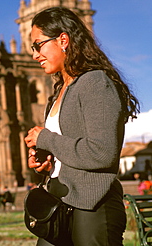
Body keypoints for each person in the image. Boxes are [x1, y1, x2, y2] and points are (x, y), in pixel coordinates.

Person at [24, 7, 139, 246]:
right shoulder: (58, 93)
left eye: (38, 45)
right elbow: (70, 151)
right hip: (58, 201)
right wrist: (46, 163)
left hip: (93, 206)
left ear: (63, 40)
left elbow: (102, 153)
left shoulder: (95, 82)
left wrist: (45, 139)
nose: (34, 54)